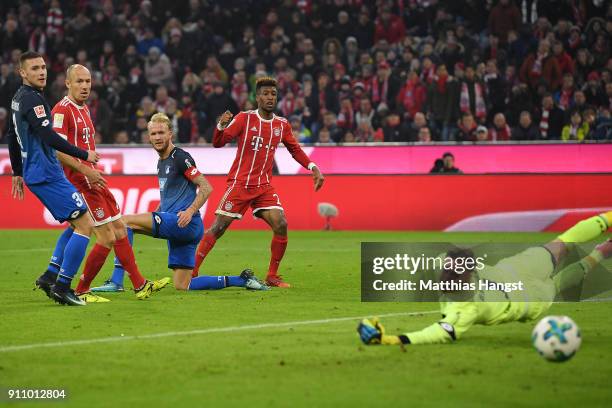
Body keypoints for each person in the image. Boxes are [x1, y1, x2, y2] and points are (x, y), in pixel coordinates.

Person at [358, 212, 612, 345]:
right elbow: (436, 333)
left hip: (518, 278)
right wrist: (392, 339)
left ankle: (605, 234)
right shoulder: (461, 306)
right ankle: (604, 247)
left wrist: (391, 339)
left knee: (560, 256)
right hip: (524, 294)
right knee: (559, 266)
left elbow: (437, 332)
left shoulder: (455, 293)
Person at [41, 64, 170, 301]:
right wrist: (84, 170)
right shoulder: (62, 110)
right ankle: (81, 289)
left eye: (88, 82)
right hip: (81, 181)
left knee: (120, 228)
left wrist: (92, 170)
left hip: (93, 178)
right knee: (106, 237)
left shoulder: (85, 109)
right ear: (67, 83)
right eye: (79, 81)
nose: (85, 86)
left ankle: (140, 284)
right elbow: (56, 149)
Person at [98, 113, 268, 292]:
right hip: (182, 226)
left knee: (123, 222)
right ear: (148, 137)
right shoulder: (161, 162)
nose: (157, 137)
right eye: (154, 134)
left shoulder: (179, 157)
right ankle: (241, 280)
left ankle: (117, 281)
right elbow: (169, 196)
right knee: (183, 285)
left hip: (183, 222)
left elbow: (206, 187)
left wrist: (190, 211)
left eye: (161, 133)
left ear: (170, 133)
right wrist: (159, 211)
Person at [193, 77, 325, 288]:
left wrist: (312, 167)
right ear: (257, 97)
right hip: (240, 184)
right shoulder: (244, 118)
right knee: (217, 228)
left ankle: (272, 276)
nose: (270, 97)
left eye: (273, 94)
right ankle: (193, 271)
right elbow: (218, 143)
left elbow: (295, 149)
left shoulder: (281, 125)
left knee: (281, 224)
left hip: (263, 187)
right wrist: (220, 125)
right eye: (265, 94)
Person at [7, 51, 99, 306]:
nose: (41, 72)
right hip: (46, 172)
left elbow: (11, 136)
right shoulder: (33, 101)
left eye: (43, 67)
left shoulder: (18, 98)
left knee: (76, 222)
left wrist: (17, 171)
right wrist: (85, 154)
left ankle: (50, 276)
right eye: (34, 68)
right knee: (85, 225)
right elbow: (50, 138)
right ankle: (62, 285)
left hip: (38, 171)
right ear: (22, 73)